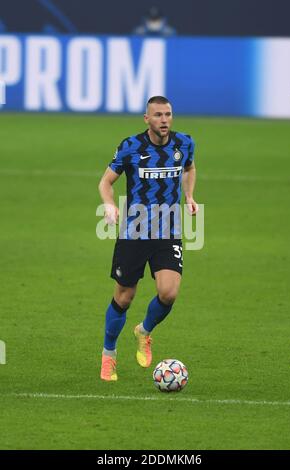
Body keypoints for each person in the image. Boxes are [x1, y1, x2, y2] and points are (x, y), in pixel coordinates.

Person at [98, 96, 198, 381]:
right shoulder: (131, 147)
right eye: (158, 115)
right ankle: (109, 354)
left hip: (168, 230)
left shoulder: (184, 144)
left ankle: (144, 331)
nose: (164, 120)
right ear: (147, 119)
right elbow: (105, 181)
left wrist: (189, 195)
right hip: (135, 230)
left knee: (169, 293)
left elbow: (189, 168)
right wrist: (109, 204)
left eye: (168, 114)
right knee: (124, 296)